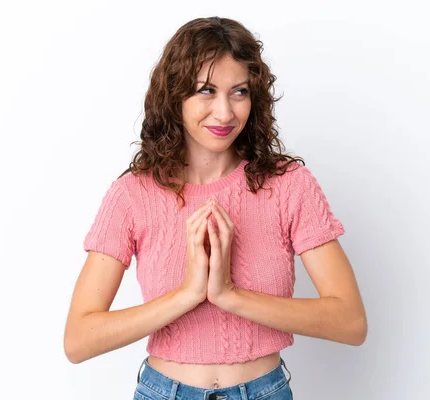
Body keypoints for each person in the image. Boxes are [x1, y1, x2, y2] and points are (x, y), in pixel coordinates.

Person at [64, 16, 367, 400]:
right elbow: (79, 339)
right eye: (206, 90)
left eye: (239, 92)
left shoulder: (288, 185)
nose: (225, 113)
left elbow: (350, 321)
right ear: (175, 96)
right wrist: (188, 294)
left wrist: (229, 295)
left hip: (264, 391)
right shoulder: (133, 194)